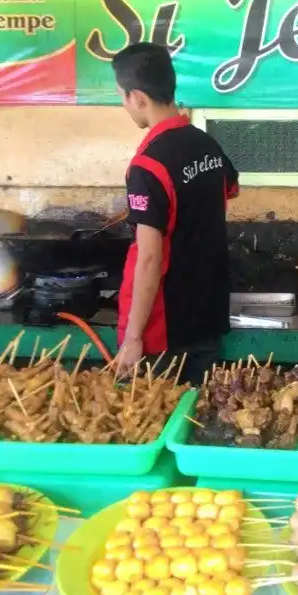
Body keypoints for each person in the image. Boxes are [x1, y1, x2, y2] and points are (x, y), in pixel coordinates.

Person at [112, 42, 239, 385]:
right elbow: (228, 190)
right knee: (196, 413)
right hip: (207, 312)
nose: (125, 105)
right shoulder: (207, 145)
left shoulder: (148, 166)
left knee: (152, 421)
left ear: (137, 96)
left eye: (122, 96)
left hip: (164, 330)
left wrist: (134, 338)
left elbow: (150, 259)